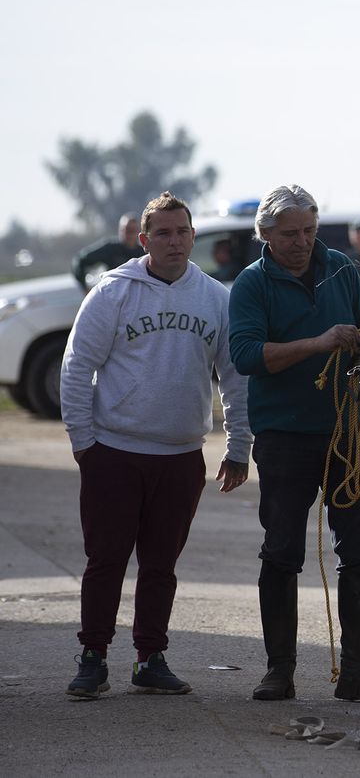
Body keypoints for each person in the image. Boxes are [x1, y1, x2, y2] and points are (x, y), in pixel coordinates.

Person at [60, 192, 252, 699]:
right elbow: (77, 365)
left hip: (181, 456)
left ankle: (150, 658)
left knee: (161, 565)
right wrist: (84, 442)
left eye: (182, 231)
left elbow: (234, 377)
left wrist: (238, 446)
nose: (174, 241)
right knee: (106, 561)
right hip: (114, 452)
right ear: (144, 240)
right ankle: (93, 656)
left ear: (193, 235)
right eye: (162, 233)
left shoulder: (214, 297)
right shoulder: (114, 292)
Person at [227, 185, 360, 704]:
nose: (301, 242)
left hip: (348, 433)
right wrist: (321, 343)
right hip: (284, 436)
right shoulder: (252, 284)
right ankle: (280, 670)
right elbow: (248, 355)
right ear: (266, 236)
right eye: (290, 234)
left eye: (308, 232)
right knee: (281, 552)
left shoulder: (343, 269)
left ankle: (358, 673)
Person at [71, 214, 143, 291]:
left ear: (139, 231)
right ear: (120, 230)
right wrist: (85, 288)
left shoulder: (144, 252)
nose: (130, 234)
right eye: (126, 230)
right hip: (112, 296)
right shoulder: (111, 249)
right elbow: (80, 260)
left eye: (133, 230)